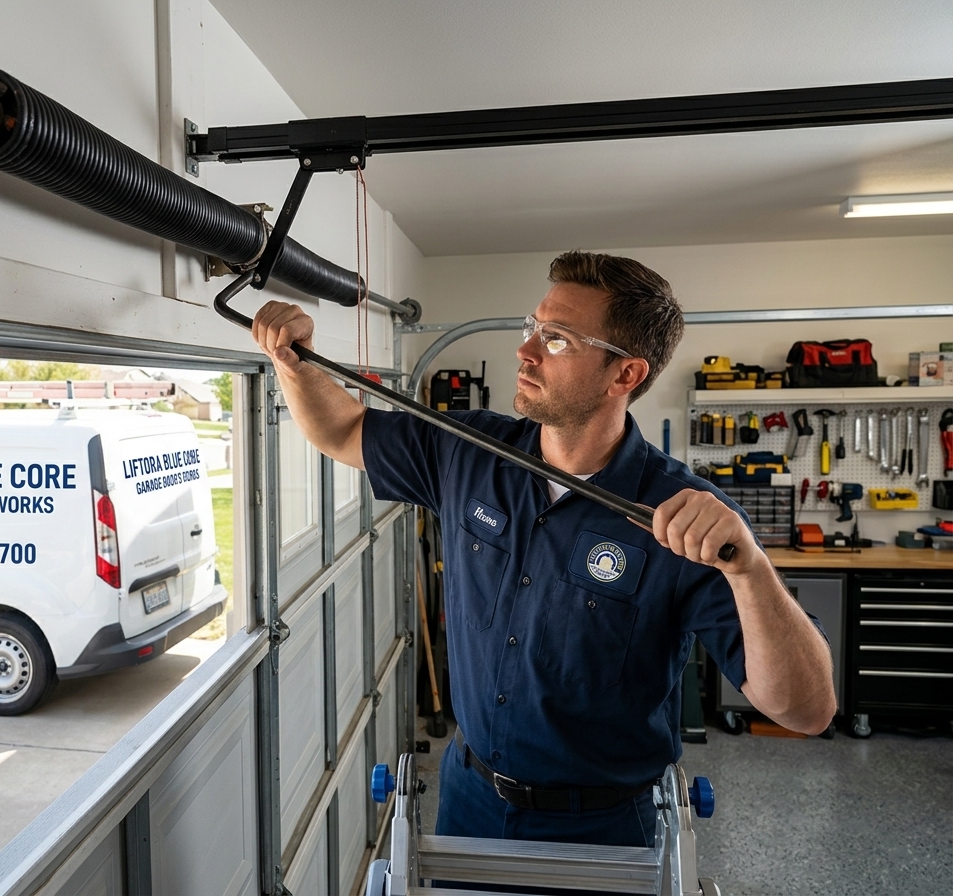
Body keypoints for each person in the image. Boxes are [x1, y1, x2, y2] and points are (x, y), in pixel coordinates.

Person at [251, 250, 836, 849]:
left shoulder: (685, 517)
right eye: (533, 327)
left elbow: (806, 711)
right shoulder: (468, 449)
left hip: (606, 829)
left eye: (556, 339)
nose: (524, 351)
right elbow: (343, 431)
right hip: (469, 799)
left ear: (625, 376)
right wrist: (291, 363)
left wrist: (751, 570)